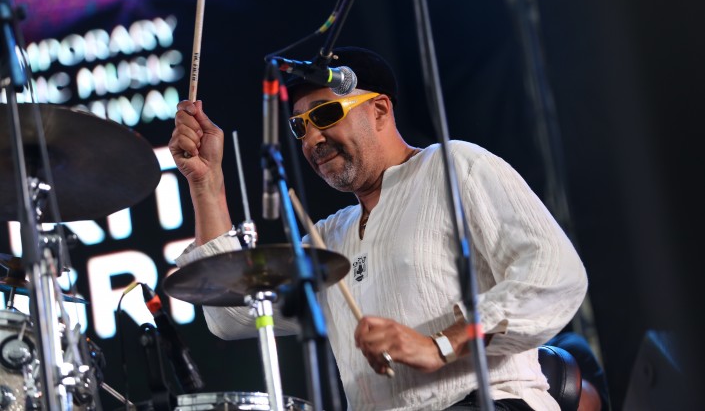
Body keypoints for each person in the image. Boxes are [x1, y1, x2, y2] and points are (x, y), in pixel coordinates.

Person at [169, 46, 588, 410]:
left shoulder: (454, 166)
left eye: (326, 114)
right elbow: (233, 314)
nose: (312, 139)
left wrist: (441, 344)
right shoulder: (329, 237)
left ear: (380, 110)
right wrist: (206, 184)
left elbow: (555, 275)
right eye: (300, 126)